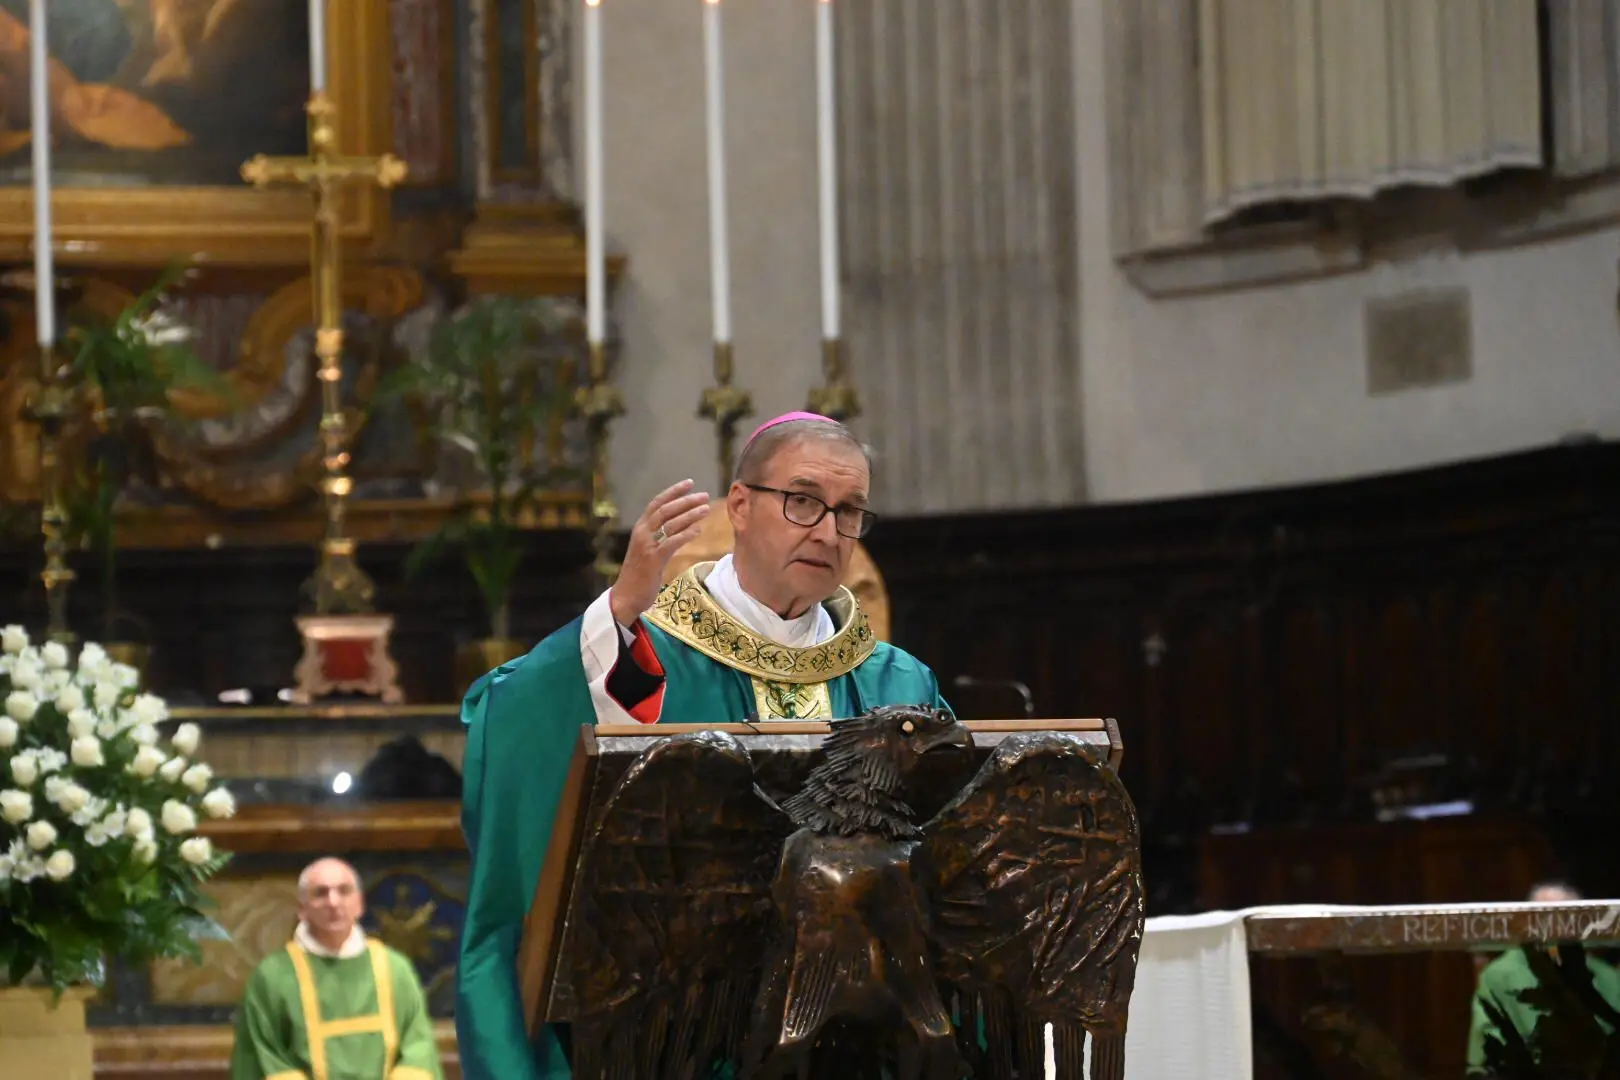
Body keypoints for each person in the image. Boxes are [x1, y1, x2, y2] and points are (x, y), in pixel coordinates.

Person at [455, 412, 952, 1080]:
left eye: (850, 511)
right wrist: (619, 612)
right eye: (803, 502)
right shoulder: (645, 653)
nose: (829, 533)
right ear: (740, 506)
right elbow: (515, 715)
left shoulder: (893, 680)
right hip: (684, 1036)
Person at [229, 857, 444, 1080]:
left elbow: (418, 1050)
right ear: (302, 909)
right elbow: (265, 1057)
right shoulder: (272, 977)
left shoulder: (394, 969)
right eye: (320, 893)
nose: (333, 902)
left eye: (344, 891)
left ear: (360, 903)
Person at [1466, 880, 1620, 1075]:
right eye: (1545, 918)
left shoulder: (1610, 980)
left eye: (1567, 919)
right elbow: (1484, 1065)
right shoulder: (1499, 979)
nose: (1555, 930)